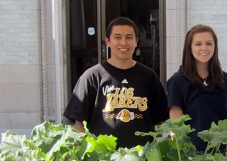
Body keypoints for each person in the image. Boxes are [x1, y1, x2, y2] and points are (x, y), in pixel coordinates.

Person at [64, 17, 168, 148]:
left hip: (142, 160)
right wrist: (82, 158)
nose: (123, 43)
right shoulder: (92, 77)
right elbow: (78, 123)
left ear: (136, 41)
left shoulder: (149, 77)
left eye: (129, 37)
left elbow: (158, 123)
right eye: (117, 37)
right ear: (107, 41)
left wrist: (156, 154)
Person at [167, 24, 227, 152]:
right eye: (198, 44)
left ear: (215, 47)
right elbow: (176, 128)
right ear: (189, 47)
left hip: (223, 153)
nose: (204, 48)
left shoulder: (223, 78)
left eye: (209, 43)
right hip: (194, 155)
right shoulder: (177, 82)